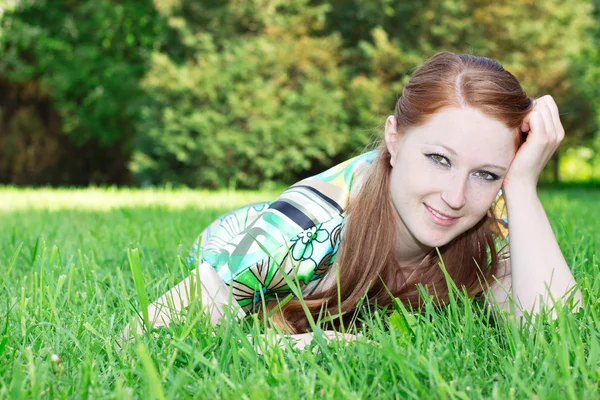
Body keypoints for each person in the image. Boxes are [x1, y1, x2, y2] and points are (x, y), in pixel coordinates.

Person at [125, 52, 582, 347]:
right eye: (439, 159)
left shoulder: (490, 214)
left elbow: (559, 341)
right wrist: (303, 344)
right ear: (394, 138)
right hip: (235, 238)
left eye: (486, 173)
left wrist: (521, 187)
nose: (456, 196)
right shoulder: (308, 225)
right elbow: (144, 336)